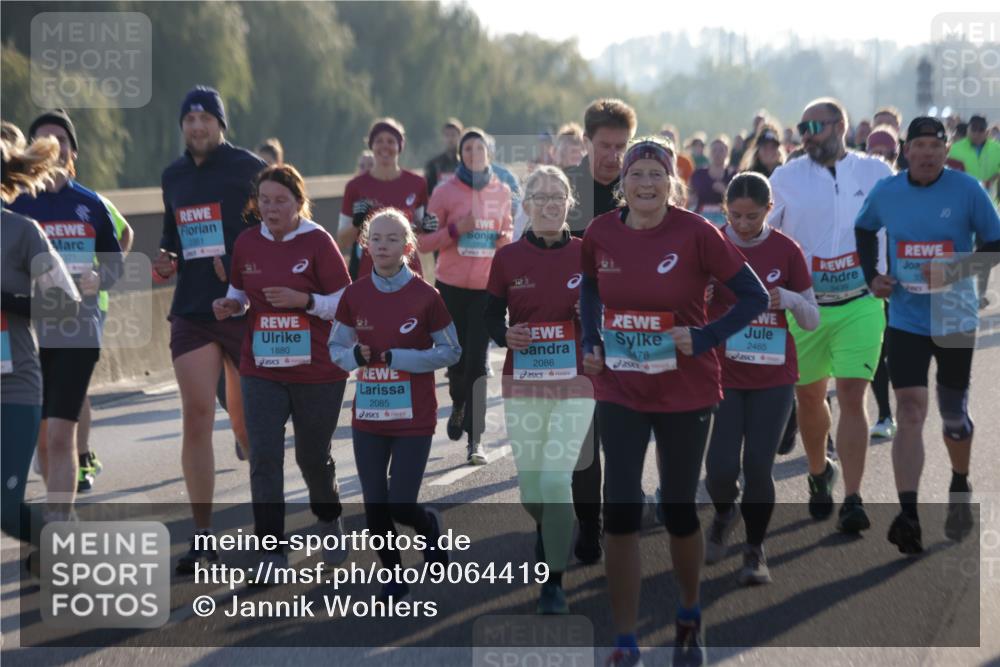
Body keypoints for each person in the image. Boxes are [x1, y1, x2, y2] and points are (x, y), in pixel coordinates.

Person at [580, 137, 768, 666]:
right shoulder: (599, 233)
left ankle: (688, 614)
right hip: (621, 385)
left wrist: (704, 337)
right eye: (636, 174)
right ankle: (624, 640)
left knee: (680, 509)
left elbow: (751, 296)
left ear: (672, 183)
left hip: (685, 389)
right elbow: (590, 289)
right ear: (622, 183)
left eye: (655, 175)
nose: (645, 184)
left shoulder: (697, 233)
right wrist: (591, 341)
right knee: (619, 512)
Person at [855, 116, 1000, 554]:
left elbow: (995, 243)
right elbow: (864, 229)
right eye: (919, 146)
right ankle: (909, 513)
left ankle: (958, 482)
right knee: (911, 409)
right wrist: (872, 275)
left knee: (953, 413)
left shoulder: (967, 190)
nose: (927, 153)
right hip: (906, 313)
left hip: (954, 308)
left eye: (935, 146)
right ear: (907, 150)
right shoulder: (888, 191)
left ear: (945, 149)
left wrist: (956, 269)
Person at [213, 164, 352, 573]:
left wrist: (303, 301)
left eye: (281, 201)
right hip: (262, 367)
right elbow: (239, 291)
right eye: (265, 201)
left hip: (318, 369)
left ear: (299, 202)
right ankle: (271, 550)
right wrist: (231, 305)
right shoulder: (247, 243)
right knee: (265, 457)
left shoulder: (318, 242)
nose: (272, 209)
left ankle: (328, 516)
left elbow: (345, 303)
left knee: (312, 458)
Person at [153, 86, 266, 573]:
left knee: (247, 423)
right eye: (189, 119)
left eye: (205, 118)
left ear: (221, 124)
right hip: (193, 310)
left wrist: (237, 257)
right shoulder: (173, 176)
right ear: (182, 127)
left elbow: (273, 227)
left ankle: (270, 533)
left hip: (240, 308)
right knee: (196, 415)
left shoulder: (246, 168)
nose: (197, 126)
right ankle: (203, 538)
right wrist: (165, 259)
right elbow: (171, 237)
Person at [768, 97, 894, 532]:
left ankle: (854, 499)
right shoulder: (786, 177)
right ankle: (820, 472)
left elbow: (895, 227)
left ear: (840, 125)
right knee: (808, 397)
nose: (806, 135)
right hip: (807, 307)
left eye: (815, 126)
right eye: (801, 128)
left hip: (861, 302)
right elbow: (763, 233)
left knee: (854, 397)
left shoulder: (876, 172)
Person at [329, 208, 460, 601]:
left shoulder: (426, 296)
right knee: (374, 508)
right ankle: (393, 574)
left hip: (413, 417)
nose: (382, 245)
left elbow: (452, 350)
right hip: (368, 417)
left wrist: (399, 358)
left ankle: (428, 528)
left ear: (407, 247)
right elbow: (335, 349)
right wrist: (356, 356)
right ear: (366, 245)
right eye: (375, 239)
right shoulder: (354, 294)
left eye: (391, 239)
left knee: (401, 505)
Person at [485, 166, 594, 614]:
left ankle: (553, 581)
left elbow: (608, 313)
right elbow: (489, 318)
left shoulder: (588, 254)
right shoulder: (508, 258)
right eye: (540, 196)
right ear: (525, 204)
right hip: (524, 383)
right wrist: (504, 335)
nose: (550, 204)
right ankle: (548, 530)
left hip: (575, 384)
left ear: (570, 203)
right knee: (533, 493)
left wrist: (587, 321)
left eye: (558, 196)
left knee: (555, 479)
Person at [9, 109, 124, 523]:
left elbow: (115, 263)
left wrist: (100, 276)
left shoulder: (90, 204)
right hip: (28, 331)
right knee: (42, 440)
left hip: (78, 327)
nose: (52, 148)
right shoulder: (17, 206)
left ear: (73, 152)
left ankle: (60, 523)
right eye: (43, 140)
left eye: (61, 141)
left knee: (61, 435)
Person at [704, 173, 818, 585]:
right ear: (724, 210)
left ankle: (755, 549)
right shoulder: (712, 243)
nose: (742, 224)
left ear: (770, 211)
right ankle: (723, 514)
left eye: (752, 216)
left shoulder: (786, 250)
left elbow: (811, 317)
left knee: (757, 466)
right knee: (718, 469)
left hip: (773, 375)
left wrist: (786, 298)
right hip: (725, 373)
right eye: (734, 215)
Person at [562, 98, 637, 566]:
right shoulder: (562, 191)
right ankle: (590, 523)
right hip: (575, 332)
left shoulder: (643, 186)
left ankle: (623, 508)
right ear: (585, 142)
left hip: (635, 330)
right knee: (582, 436)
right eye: (605, 145)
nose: (613, 155)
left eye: (621, 146)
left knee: (625, 434)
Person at [2, 132, 80, 542]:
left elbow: (66, 304)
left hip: (14, 385)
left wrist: (10, 301)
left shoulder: (23, 232)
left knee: (5, 509)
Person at [418, 128, 513, 463]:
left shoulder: (501, 191)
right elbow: (424, 242)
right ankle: (457, 402)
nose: (474, 152)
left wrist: (502, 238)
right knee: (457, 361)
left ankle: (476, 441)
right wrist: (458, 229)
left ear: (488, 152)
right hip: (451, 288)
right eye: (468, 148)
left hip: (486, 291)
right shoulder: (444, 192)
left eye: (480, 147)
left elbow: (507, 236)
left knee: (478, 365)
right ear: (460, 154)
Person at [337, 117, 430, 281]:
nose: (385, 146)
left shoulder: (417, 183)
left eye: (391, 141)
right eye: (379, 141)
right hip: (369, 273)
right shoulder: (355, 186)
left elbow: (421, 233)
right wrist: (357, 224)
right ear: (371, 146)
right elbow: (342, 241)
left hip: (409, 273)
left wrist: (426, 226)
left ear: (400, 146)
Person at [864, 125, 901, 441]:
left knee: (894, 354)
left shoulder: (905, 189)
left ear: (894, 156)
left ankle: (895, 410)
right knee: (876, 354)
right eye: (872, 153)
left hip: (903, 286)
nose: (878, 158)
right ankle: (885, 414)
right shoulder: (862, 191)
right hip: (871, 283)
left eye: (883, 153)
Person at [689, 135, 735, 226]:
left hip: (726, 220)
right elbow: (690, 196)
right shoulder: (698, 174)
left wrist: (725, 192)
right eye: (714, 150)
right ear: (709, 153)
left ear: (727, 153)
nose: (717, 154)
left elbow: (739, 201)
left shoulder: (733, 176)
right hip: (701, 220)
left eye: (721, 150)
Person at [424, 118, 462, 194]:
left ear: (460, 137)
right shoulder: (433, 164)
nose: (450, 139)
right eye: (447, 135)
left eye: (453, 135)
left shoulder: (466, 163)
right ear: (442, 137)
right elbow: (428, 192)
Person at [873, 106, 908, 170]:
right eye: (879, 123)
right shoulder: (862, 151)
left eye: (888, 123)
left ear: (898, 128)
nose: (884, 127)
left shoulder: (907, 151)